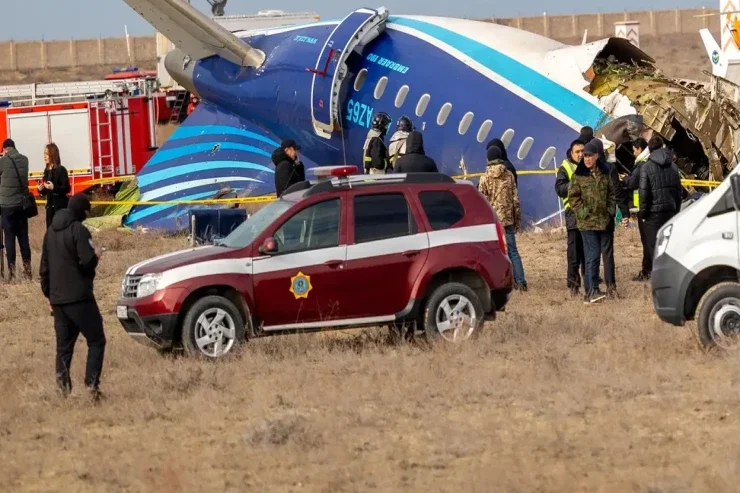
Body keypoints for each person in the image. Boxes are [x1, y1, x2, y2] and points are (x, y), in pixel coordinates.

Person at [40, 193, 106, 401]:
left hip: (58, 300)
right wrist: (96, 255)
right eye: (87, 211)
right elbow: (86, 261)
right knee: (96, 340)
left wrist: (50, 296)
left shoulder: (50, 232)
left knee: (63, 348)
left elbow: (44, 269)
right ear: (81, 211)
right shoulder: (79, 230)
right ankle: (91, 387)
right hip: (79, 298)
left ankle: (62, 390)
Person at [567, 140, 616, 304]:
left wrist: (610, 211)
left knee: (595, 256)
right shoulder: (578, 175)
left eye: (589, 156)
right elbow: (573, 198)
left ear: (596, 156)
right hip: (587, 223)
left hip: (603, 221)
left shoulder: (604, 172)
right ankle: (592, 290)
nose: (586, 159)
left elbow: (611, 193)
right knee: (592, 255)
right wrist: (583, 213)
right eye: (584, 156)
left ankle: (591, 290)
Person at [479, 146, 527, 291]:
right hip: (508, 219)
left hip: (492, 222)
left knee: (494, 253)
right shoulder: (509, 175)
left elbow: (482, 201)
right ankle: (521, 282)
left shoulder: (484, 177)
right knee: (513, 250)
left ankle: (498, 283)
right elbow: (515, 200)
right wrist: (517, 220)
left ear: (488, 159)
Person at [589, 137, 630, 297]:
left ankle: (592, 287)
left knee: (591, 253)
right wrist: (624, 213)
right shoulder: (610, 168)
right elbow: (617, 191)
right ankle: (611, 287)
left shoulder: (585, 168)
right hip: (606, 216)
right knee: (607, 253)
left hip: (590, 217)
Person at [638, 135, 682, 278]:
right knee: (668, 247)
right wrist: (676, 211)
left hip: (652, 215)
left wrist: (643, 214)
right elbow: (678, 192)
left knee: (653, 249)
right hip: (669, 212)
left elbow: (643, 194)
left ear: (649, 150)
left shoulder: (646, 167)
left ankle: (659, 281)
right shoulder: (673, 166)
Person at [555, 139, 586, 297]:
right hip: (573, 215)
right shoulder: (565, 167)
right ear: (571, 153)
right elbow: (559, 188)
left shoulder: (590, 164)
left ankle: (590, 284)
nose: (581, 154)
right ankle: (574, 285)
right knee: (574, 253)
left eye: (582, 151)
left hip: (589, 215)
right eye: (577, 152)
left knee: (589, 252)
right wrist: (576, 185)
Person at [0, 139, 32, 280]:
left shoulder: (3, 160)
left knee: (9, 239)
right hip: (22, 206)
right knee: (24, 239)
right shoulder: (25, 160)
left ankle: (12, 273)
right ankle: (28, 271)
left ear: (5, 149)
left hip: (7, 206)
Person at [625, 137, 651, 281]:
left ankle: (646, 271)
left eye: (634, 150)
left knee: (646, 241)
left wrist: (625, 179)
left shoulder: (641, 164)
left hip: (643, 207)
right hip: (650, 207)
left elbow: (633, 182)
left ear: (639, 149)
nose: (633, 153)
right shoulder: (650, 161)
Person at [37, 143, 71, 230]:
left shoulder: (61, 170)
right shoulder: (47, 170)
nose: (45, 156)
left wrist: (54, 188)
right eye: (44, 154)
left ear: (53, 155)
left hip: (60, 208)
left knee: (60, 233)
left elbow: (67, 188)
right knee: (51, 234)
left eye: (47, 154)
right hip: (50, 209)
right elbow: (47, 190)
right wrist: (41, 189)